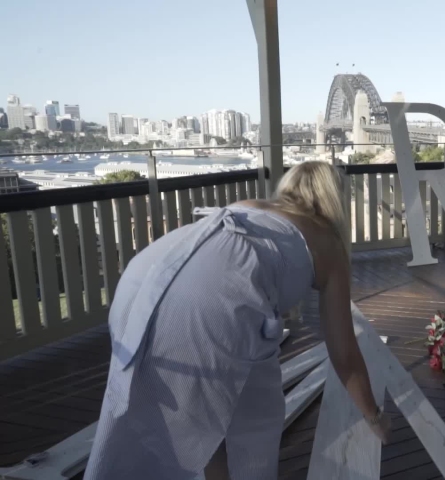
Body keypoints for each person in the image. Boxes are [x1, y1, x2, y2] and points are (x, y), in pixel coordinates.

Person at [84, 161, 391, 480]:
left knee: (196, 412)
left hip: (141, 280)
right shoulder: (328, 242)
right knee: (255, 422)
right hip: (213, 301)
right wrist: (374, 415)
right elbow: (344, 352)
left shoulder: (252, 206)